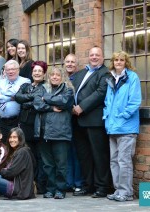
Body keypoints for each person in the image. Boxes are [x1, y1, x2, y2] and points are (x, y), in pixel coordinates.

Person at [72, 46, 111, 198]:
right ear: (88, 56)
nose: (94, 57)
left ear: (102, 57)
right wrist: (71, 107)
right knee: (84, 155)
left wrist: (82, 107)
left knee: (99, 155)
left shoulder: (105, 73)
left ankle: (102, 187)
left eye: (97, 55)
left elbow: (100, 93)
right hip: (77, 120)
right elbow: (71, 90)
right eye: (92, 55)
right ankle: (88, 185)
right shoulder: (81, 73)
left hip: (94, 120)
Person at [103, 51, 141, 202]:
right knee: (114, 160)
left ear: (126, 62)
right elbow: (107, 101)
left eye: (121, 60)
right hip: (112, 127)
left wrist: (122, 117)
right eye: (116, 60)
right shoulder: (111, 78)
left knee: (124, 160)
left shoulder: (132, 77)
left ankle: (126, 192)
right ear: (113, 62)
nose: (119, 62)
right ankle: (118, 190)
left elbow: (135, 102)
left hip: (126, 127)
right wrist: (107, 118)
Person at [33, 66, 74, 199]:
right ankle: (50, 189)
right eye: (52, 75)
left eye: (58, 75)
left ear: (62, 77)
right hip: (43, 132)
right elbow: (37, 104)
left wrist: (46, 99)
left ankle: (60, 190)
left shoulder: (68, 90)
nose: (55, 77)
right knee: (48, 164)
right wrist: (51, 107)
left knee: (61, 164)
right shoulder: (42, 88)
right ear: (49, 77)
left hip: (60, 132)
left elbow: (63, 101)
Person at [14, 60, 47, 194]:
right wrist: (31, 99)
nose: (37, 73)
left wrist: (27, 102)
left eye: (40, 71)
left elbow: (38, 102)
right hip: (25, 125)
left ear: (44, 73)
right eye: (35, 71)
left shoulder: (46, 87)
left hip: (39, 125)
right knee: (29, 156)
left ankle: (41, 185)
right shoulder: (26, 85)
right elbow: (17, 97)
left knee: (41, 156)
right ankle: (30, 183)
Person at [0, 60, 31, 143]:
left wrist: (2, 92)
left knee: (17, 146)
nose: (10, 72)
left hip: (17, 121)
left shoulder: (25, 81)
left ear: (18, 70)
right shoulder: (0, 82)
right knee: (4, 147)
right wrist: (10, 98)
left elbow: (16, 93)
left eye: (13, 69)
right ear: (5, 71)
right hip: (3, 122)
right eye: (8, 70)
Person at [64, 53, 84, 193]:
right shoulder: (63, 78)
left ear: (76, 64)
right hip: (65, 121)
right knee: (67, 153)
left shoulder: (80, 78)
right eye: (67, 62)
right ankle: (69, 182)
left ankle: (78, 182)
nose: (70, 64)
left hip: (77, 121)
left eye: (72, 62)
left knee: (77, 152)